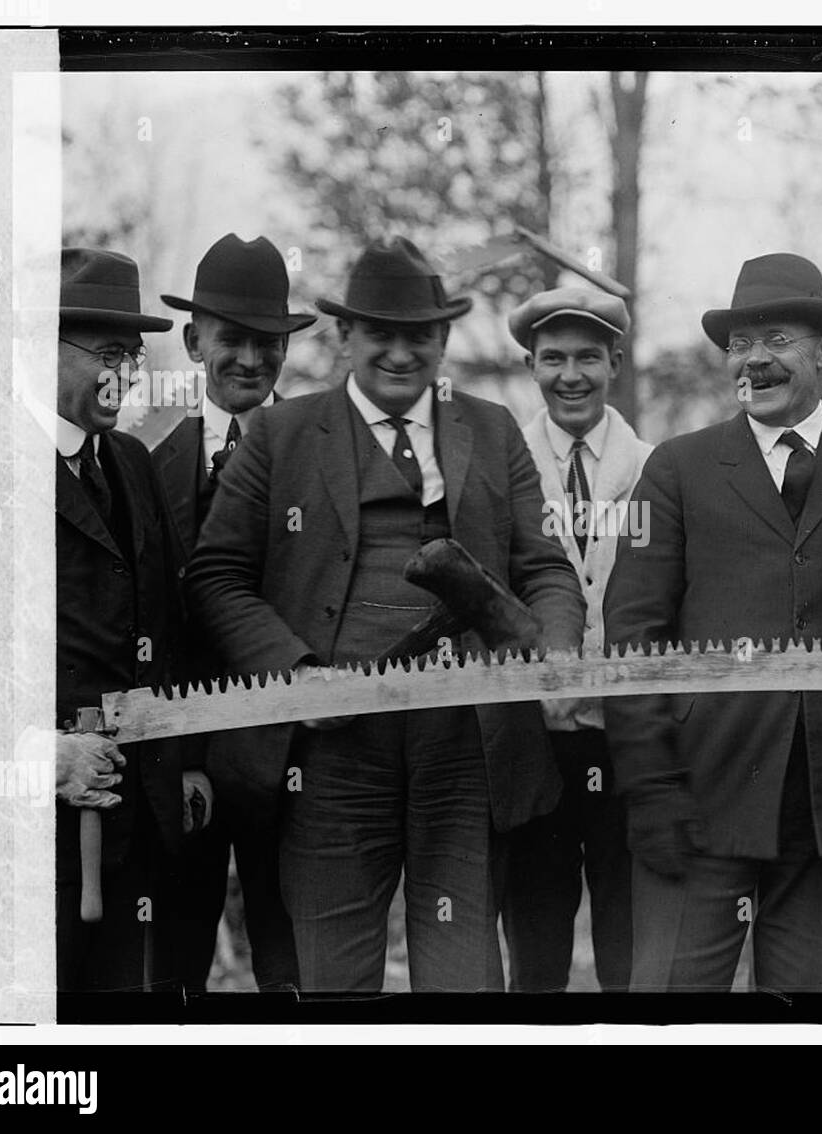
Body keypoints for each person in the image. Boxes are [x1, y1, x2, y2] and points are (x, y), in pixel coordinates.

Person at [185, 237, 585, 992]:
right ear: (346, 337)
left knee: (464, 971)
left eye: (419, 338)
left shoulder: (493, 431)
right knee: (331, 977)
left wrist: (557, 650)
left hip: (465, 748)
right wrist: (301, 678)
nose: (400, 355)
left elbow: (545, 568)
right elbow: (217, 575)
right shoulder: (282, 435)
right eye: (381, 335)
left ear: (442, 341)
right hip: (331, 758)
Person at [603, 252, 822, 992]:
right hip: (702, 800)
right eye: (740, 344)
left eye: (777, 340)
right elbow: (631, 636)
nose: (754, 360)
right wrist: (651, 784)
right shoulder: (678, 467)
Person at [36, 248, 206, 995]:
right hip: (26, 844)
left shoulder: (130, 462)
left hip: (131, 830)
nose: (129, 374)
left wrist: (187, 756)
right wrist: (38, 755)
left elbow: (169, 629)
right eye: (109, 353)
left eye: (134, 356)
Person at [155, 233, 316, 992]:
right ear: (194, 343)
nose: (250, 360)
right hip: (190, 767)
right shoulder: (149, 470)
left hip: (297, 764)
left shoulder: (324, 458)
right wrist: (181, 763)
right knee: (177, 960)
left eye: (267, 343)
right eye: (232, 341)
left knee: (293, 961)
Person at [500, 286, 649, 993]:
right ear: (531, 366)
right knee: (536, 932)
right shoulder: (504, 468)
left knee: (628, 928)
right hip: (532, 740)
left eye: (588, 356)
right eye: (552, 357)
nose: (571, 375)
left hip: (624, 738)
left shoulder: (656, 469)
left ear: (614, 362)